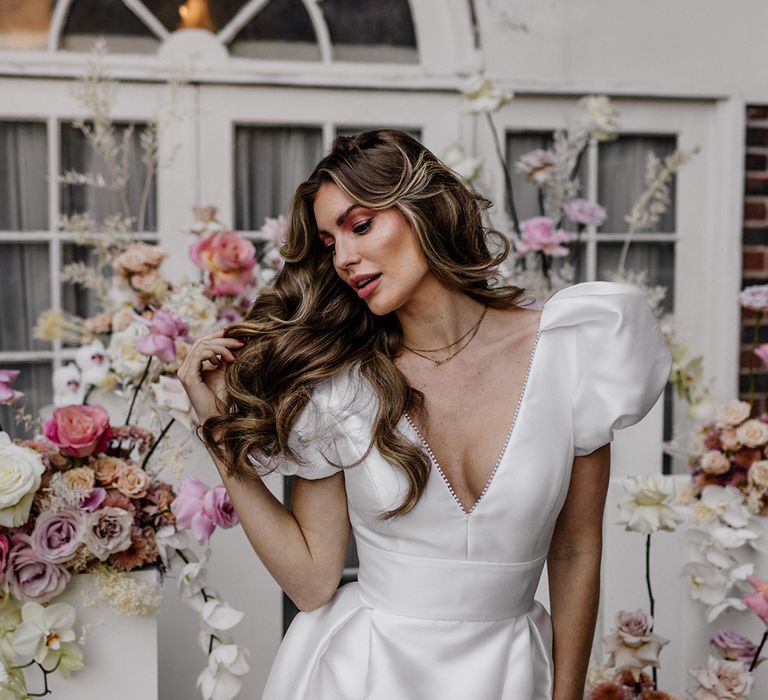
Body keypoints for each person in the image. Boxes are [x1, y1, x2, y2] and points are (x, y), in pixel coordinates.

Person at [178, 129, 673, 700]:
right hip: (367, 674)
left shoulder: (572, 349)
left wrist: (566, 697)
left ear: (425, 210)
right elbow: (312, 582)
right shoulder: (340, 383)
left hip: (515, 674)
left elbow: (576, 550)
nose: (343, 258)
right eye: (328, 242)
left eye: (360, 225)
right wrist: (218, 430)